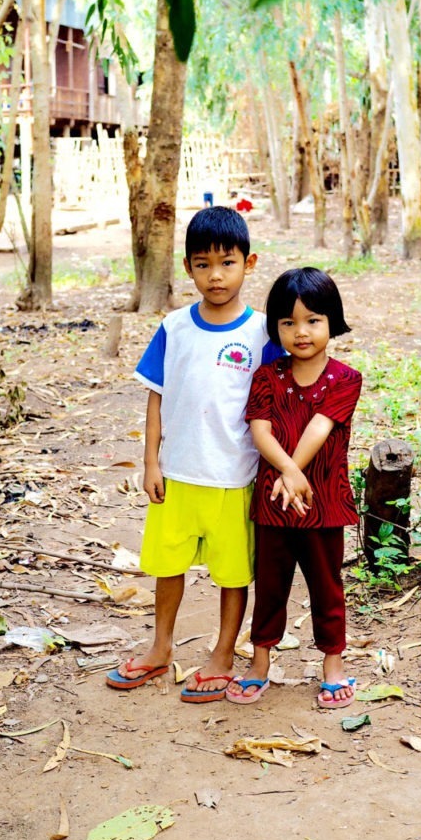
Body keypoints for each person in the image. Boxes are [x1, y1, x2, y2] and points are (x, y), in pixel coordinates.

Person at [106, 206, 282, 702]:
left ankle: (224, 652)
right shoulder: (176, 327)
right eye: (202, 264)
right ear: (187, 268)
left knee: (232, 572)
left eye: (227, 263)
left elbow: (277, 402)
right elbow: (156, 394)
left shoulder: (263, 333)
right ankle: (160, 647)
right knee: (167, 565)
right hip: (178, 473)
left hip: (235, 475)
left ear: (249, 264)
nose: (215, 275)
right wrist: (150, 461)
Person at [225, 267, 362, 708]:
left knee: (327, 586)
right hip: (273, 506)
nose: (300, 332)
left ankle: (334, 666)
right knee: (270, 587)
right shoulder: (266, 376)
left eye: (312, 320)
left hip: (325, 504)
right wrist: (289, 473)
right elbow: (260, 433)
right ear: (275, 328)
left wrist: (293, 472)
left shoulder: (345, 378)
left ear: (332, 321)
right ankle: (260, 662)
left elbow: (321, 426)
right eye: (288, 322)